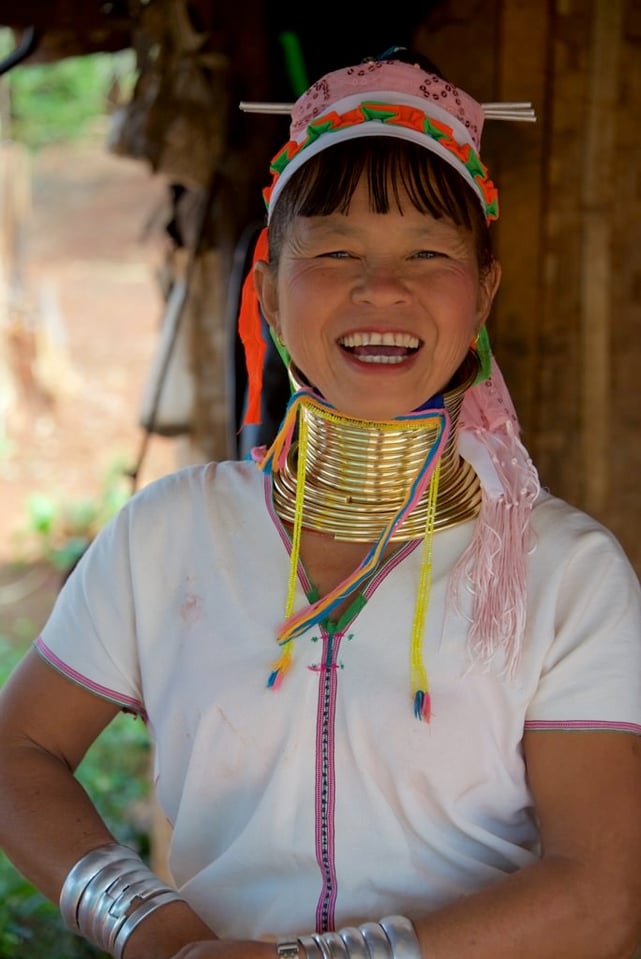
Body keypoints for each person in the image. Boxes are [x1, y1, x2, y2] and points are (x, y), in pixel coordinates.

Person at [1, 46, 641, 959]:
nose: (381, 289)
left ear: (484, 291)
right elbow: (15, 751)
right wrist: (150, 924)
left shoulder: (565, 573)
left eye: (429, 252)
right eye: (334, 249)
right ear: (265, 294)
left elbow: (600, 896)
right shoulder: (169, 533)